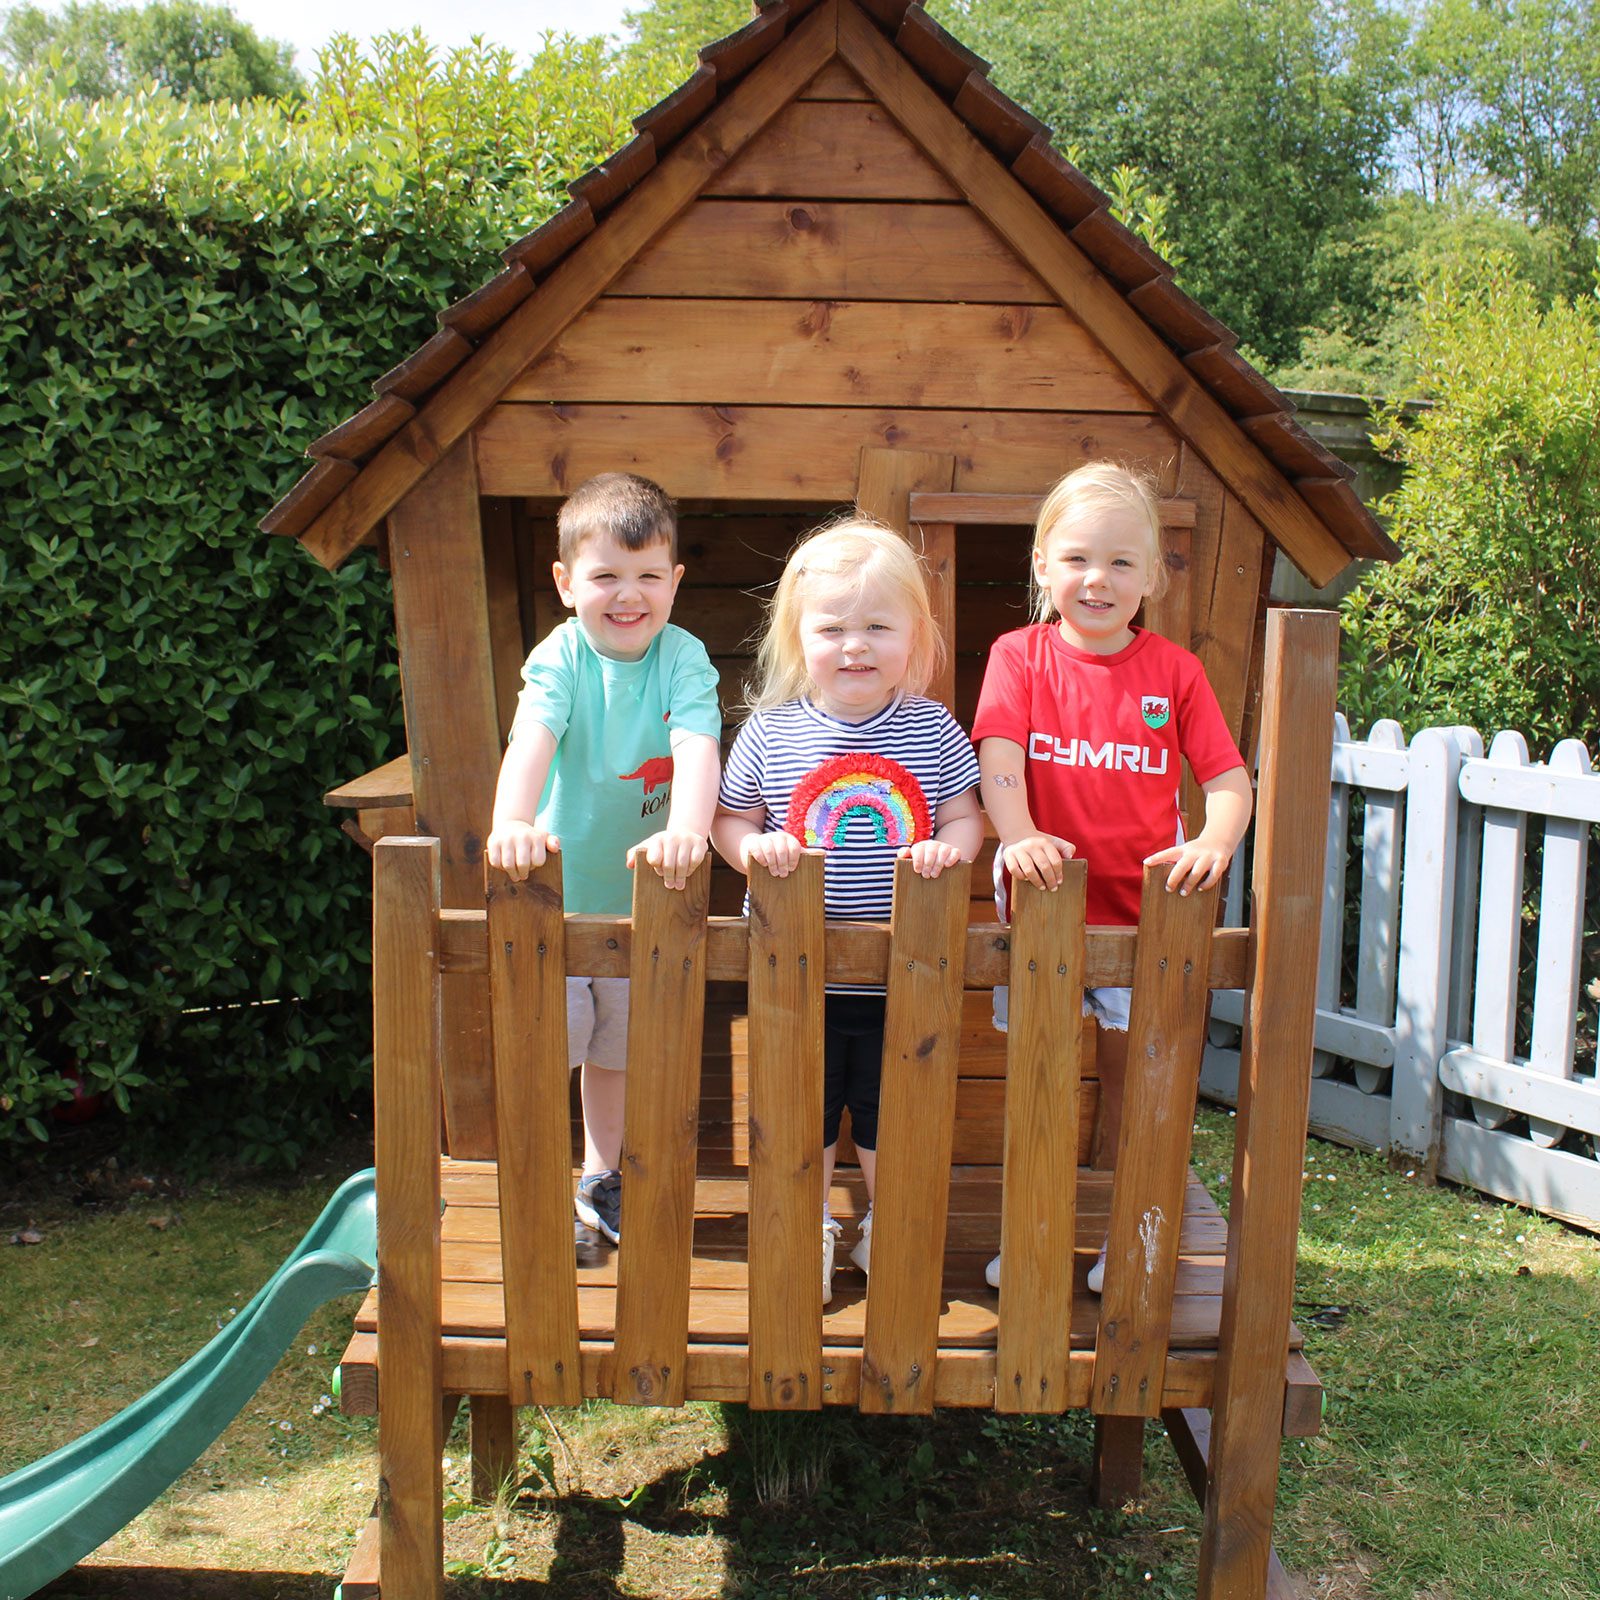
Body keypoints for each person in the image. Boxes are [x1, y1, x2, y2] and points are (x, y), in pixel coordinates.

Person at [973, 462, 1252, 1292]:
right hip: (1047, 916)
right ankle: (1033, 1241)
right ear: (1041, 566)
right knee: (1043, 1094)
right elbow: (998, 758)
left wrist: (1216, 842)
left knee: (1144, 1096)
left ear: (1155, 576)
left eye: (1123, 562)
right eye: (1078, 559)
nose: (1098, 580)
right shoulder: (1018, 656)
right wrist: (1018, 836)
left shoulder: (1176, 673)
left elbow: (1231, 780)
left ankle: (1132, 1248)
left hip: (1146, 925)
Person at [711, 521, 983, 1305]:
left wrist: (949, 851)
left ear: (915, 636)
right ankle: (808, 1230)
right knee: (800, 1116)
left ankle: (888, 1229)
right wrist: (753, 848)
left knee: (889, 1115)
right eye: (832, 628)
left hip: (906, 979)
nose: (854, 646)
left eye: (876, 627)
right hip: (798, 976)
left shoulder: (931, 728)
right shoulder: (772, 730)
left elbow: (967, 818)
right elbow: (729, 820)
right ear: (799, 636)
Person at [485, 472, 721, 1258]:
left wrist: (688, 830)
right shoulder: (562, 656)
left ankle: (600, 1173)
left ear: (675, 582)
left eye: (650, 576)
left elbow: (695, 746)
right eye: (606, 576)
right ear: (565, 584)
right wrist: (510, 822)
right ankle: (527, 1175)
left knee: (616, 1051)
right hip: (556, 900)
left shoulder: (683, 658)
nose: (630, 595)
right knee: (552, 1040)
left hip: (633, 905)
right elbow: (533, 739)